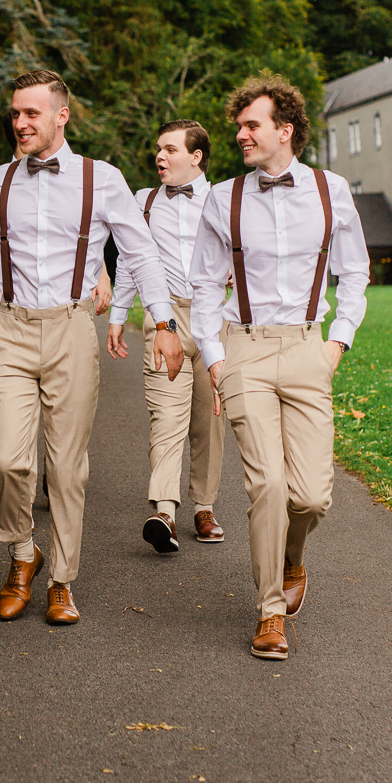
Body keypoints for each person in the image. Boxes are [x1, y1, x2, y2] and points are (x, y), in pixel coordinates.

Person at [0, 69, 180, 626]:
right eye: (15, 113)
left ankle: (61, 578)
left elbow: (141, 253)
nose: (20, 122)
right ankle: (21, 552)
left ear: (62, 115)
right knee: (9, 460)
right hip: (10, 326)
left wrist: (163, 321)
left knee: (66, 468)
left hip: (73, 328)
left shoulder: (100, 180)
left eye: (31, 113)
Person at [191, 76, 368, 661]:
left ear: (284, 130)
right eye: (239, 126)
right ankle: (270, 612)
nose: (240, 135)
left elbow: (355, 273)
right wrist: (215, 359)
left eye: (252, 126)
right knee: (265, 483)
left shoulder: (331, 190)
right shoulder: (222, 198)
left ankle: (294, 560)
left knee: (312, 496)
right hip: (243, 349)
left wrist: (336, 344)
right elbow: (203, 285)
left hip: (308, 348)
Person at [107, 120, 226, 553]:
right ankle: (164, 511)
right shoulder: (143, 202)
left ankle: (204, 506)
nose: (160, 156)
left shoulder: (224, 200)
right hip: (166, 319)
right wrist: (119, 315)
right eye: (158, 149)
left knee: (208, 422)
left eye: (171, 150)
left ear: (196, 157)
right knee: (166, 417)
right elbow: (130, 260)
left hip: (216, 318)